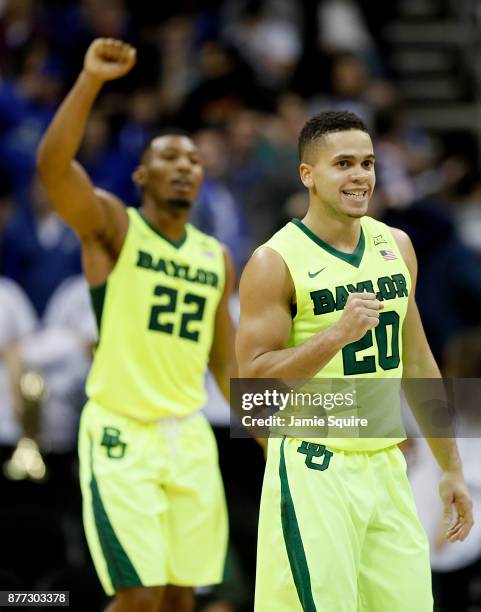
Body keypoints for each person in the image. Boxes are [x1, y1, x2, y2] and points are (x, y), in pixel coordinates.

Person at [235, 110, 473, 611]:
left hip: (386, 463)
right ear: (309, 175)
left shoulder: (397, 245)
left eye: (366, 163)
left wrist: (449, 467)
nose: (360, 175)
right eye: (343, 163)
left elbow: (419, 362)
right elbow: (251, 390)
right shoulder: (273, 261)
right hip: (315, 463)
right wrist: (336, 335)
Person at [37, 38, 236, 612]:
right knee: (140, 599)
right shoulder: (114, 229)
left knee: (179, 601)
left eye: (194, 160)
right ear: (141, 176)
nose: (184, 167)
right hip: (123, 431)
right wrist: (91, 81)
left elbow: (226, 364)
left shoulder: (216, 257)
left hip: (190, 434)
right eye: (170, 157)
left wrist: (276, 439)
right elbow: (53, 167)